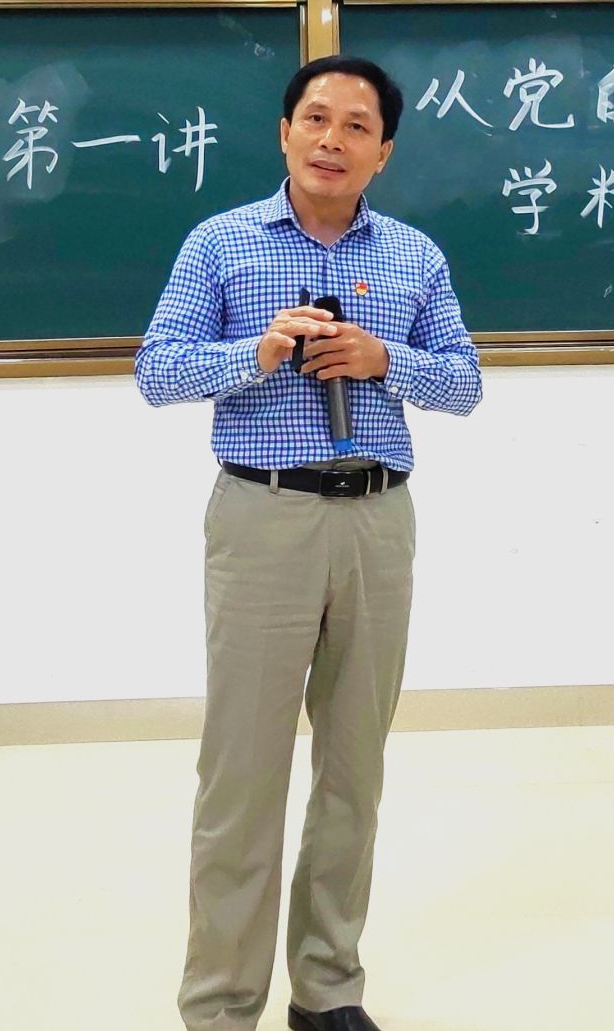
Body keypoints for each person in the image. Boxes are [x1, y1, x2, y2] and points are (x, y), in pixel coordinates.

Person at [136, 54, 483, 1031]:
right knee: (241, 773)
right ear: (284, 132)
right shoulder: (221, 242)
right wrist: (254, 353)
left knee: (352, 769)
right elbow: (157, 370)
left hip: (377, 518)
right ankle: (220, 1003)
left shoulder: (414, 255)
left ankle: (327, 986)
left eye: (356, 125)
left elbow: (464, 382)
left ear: (384, 152)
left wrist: (382, 358)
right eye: (316, 118)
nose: (333, 139)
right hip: (264, 515)